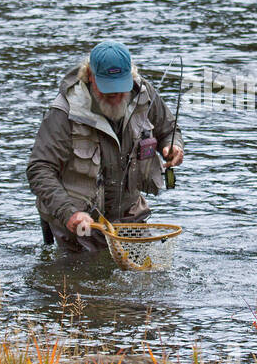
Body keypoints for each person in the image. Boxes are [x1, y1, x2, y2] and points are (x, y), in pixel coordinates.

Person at [27, 42, 183, 253]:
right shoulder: (63, 112)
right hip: (81, 223)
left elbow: (168, 128)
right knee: (80, 281)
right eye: (108, 89)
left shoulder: (143, 94)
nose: (116, 96)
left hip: (129, 216)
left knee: (145, 276)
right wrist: (68, 213)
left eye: (121, 89)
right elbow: (39, 168)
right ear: (90, 76)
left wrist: (172, 146)